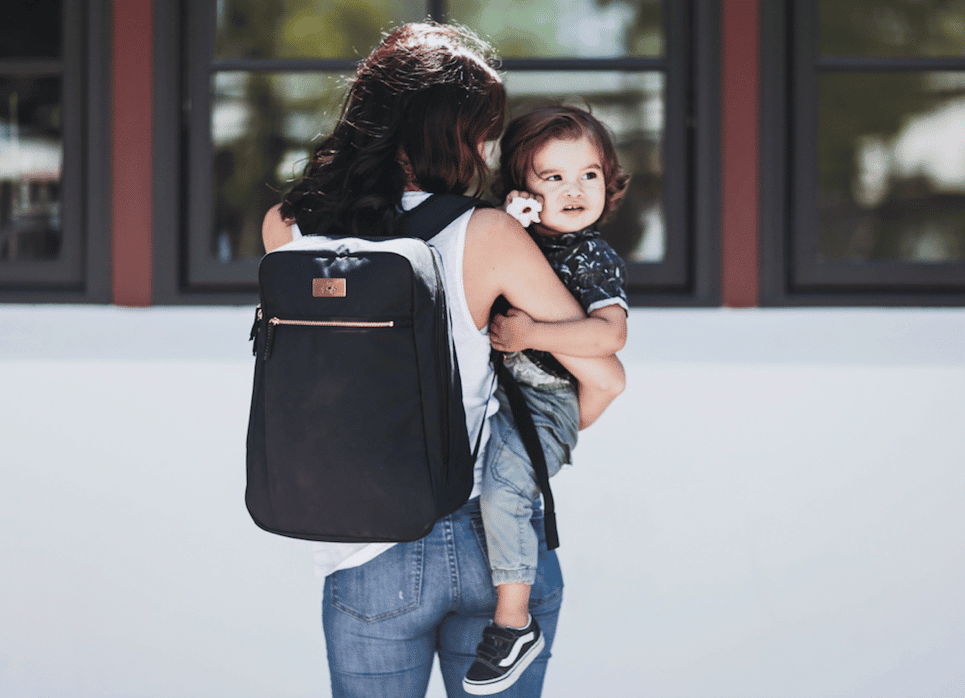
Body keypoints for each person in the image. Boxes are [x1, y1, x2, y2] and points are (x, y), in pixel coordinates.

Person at [261, 23, 625, 698]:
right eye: (480, 132)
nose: (485, 149)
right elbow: (604, 374)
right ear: (449, 134)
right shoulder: (486, 232)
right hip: (495, 536)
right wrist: (534, 446)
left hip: (364, 543)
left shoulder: (288, 225)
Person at [461, 106, 629, 695]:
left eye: (589, 174)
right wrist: (510, 224)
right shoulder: (516, 234)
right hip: (504, 394)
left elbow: (610, 336)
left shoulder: (591, 255)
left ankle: (513, 622)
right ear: (522, 189)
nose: (576, 190)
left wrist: (532, 335)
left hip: (547, 397)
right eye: (552, 178)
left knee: (506, 492)